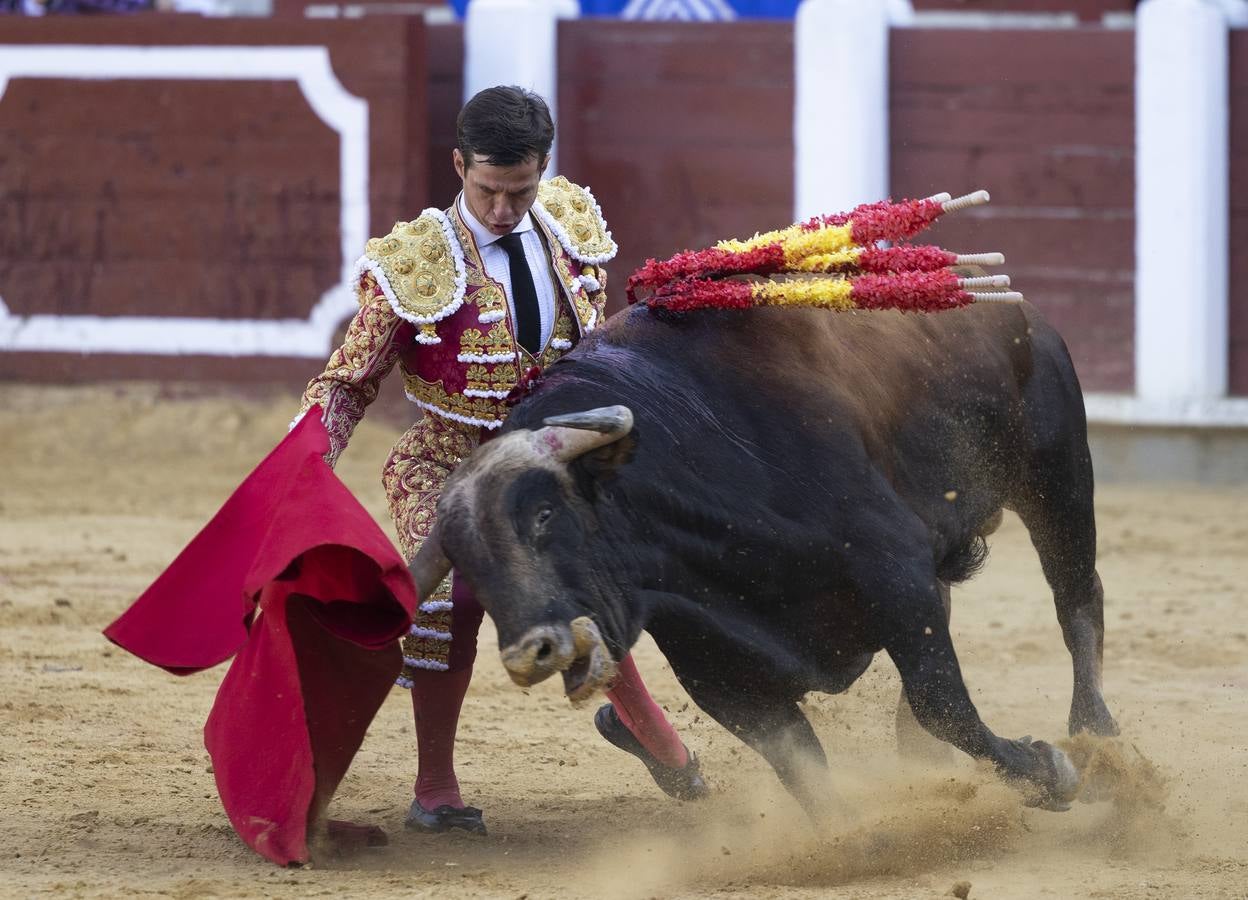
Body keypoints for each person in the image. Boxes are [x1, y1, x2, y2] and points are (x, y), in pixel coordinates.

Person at [294, 86, 708, 836]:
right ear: (459, 166)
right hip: (448, 465)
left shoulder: (570, 228)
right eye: (487, 189)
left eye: (519, 190)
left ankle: (648, 731)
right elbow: (348, 383)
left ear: (542, 168)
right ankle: (435, 788)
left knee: (605, 580)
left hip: (553, 466)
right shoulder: (414, 263)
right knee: (444, 605)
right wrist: (305, 454)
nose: (502, 209)